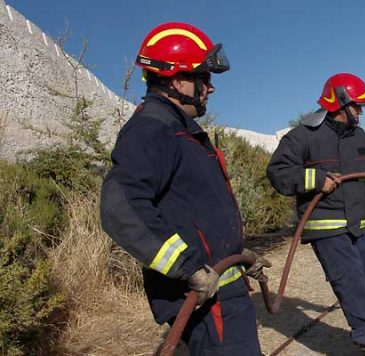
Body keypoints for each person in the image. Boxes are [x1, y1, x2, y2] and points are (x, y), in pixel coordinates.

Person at [100, 22, 269, 355]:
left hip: (223, 292)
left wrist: (240, 255)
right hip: (205, 298)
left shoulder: (181, 132)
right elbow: (119, 207)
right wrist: (187, 267)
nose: (210, 88)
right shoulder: (152, 129)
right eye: (203, 78)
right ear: (178, 81)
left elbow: (196, 213)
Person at [267, 73, 365, 355]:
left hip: (359, 225)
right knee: (352, 286)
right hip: (327, 228)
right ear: (340, 102)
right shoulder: (303, 136)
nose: (361, 112)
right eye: (358, 106)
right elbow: (278, 172)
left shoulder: (359, 137)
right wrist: (315, 179)